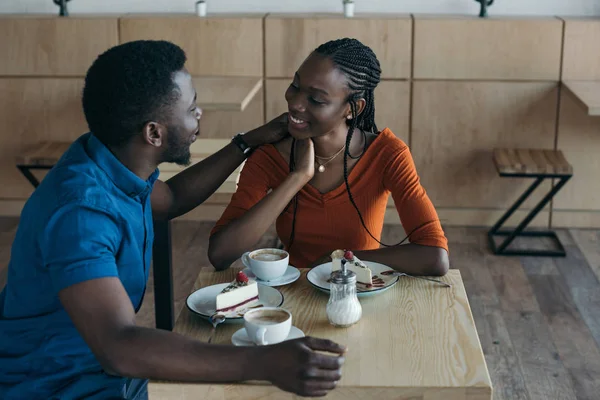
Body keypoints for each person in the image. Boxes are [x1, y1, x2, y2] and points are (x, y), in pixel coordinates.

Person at [0, 40, 346, 400]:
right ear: (153, 133)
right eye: (191, 108)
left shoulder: (106, 158)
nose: (199, 115)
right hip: (54, 385)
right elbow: (119, 347)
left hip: (100, 370)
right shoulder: (80, 215)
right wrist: (263, 362)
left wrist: (247, 143)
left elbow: (170, 199)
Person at [208, 38, 449, 274]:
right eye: (295, 86)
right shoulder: (270, 154)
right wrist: (297, 177)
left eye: (316, 99)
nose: (295, 104)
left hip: (358, 292)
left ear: (353, 108)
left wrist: (341, 259)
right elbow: (220, 254)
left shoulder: (387, 155)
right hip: (293, 293)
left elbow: (435, 256)